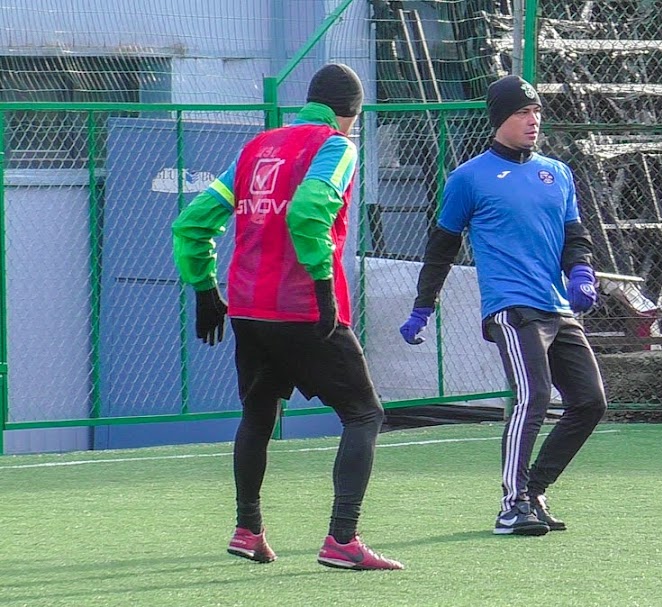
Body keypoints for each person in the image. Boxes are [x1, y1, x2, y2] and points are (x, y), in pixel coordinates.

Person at [171, 63, 403, 570]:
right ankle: (343, 539)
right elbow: (308, 210)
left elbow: (192, 221)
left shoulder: (257, 147)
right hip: (302, 308)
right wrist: (323, 288)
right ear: (350, 115)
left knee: (257, 416)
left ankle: (247, 528)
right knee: (365, 414)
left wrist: (205, 288)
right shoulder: (337, 147)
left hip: (248, 308)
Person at [399, 75, 608, 536]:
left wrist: (581, 272)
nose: (533, 120)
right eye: (521, 113)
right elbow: (441, 247)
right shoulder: (468, 178)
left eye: (536, 111)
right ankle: (511, 506)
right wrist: (423, 305)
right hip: (511, 307)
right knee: (533, 396)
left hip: (556, 308)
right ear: (499, 120)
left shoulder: (558, 173)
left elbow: (576, 237)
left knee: (590, 403)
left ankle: (534, 490)